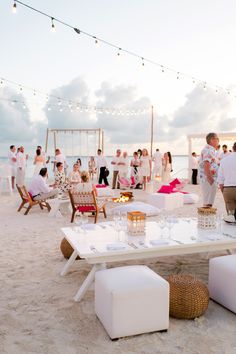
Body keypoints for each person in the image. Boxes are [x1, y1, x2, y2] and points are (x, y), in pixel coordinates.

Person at [199, 132, 219, 207]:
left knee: (207, 200)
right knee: (208, 202)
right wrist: (211, 179)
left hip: (208, 178)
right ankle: (207, 217)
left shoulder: (210, 149)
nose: (218, 140)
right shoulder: (208, 150)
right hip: (208, 179)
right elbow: (206, 164)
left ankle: (206, 217)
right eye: (217, 139)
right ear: (212, 140)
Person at [217, 142, 236, 221]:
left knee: (231, 218)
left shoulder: (224, 160)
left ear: (233, 148)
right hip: (228, 188)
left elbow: (220, 181)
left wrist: (224, 191)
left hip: (228, 190)